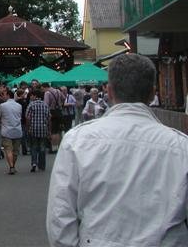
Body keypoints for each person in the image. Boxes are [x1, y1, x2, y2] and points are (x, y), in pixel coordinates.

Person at [47, 53, 188, 246]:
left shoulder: (76, 141)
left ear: (110, 91)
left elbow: (60, 215)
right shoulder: (181, 147)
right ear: (152, 93)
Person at [0, 89, 22, 174]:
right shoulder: (19, 105)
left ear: (7, 95)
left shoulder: (2, 105)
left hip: (6, 130)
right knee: (15, 151)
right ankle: (13, 165)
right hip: (17, 130)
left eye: (3, 94)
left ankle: (11, 166)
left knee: (8, 150)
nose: (2, 96)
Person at [26, 90, 50, 172]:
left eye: (31, 95)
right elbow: (49, 118)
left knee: (34, 146)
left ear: (35, 96)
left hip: (33, 128)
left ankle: (34, 163)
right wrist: (49, 129)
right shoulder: (45, 105)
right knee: (42, 147)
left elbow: (28, 117)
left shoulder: (31, 105)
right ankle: (41, 165)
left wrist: (28, 128)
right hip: (43, 128)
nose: (30, 97)